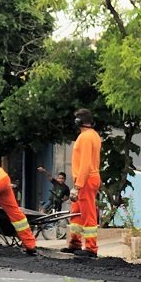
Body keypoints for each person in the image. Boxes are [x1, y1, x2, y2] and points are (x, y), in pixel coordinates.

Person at [63, 108, 101, 257]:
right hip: (85, 179)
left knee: (88, 213)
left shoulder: (85, 138)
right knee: (77, 213)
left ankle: (91, 248)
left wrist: (78, 186)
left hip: (85, 180)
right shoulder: (94, 135)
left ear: (78, 122)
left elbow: (85, 163)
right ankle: (75, 243)